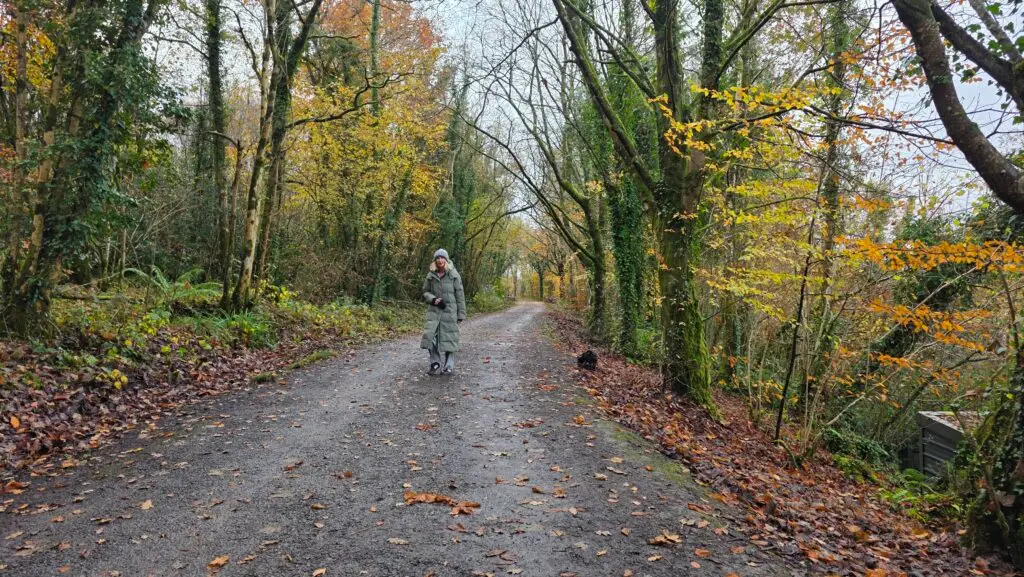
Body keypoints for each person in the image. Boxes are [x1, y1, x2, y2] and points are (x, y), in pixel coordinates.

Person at [421, 248, 466, 375]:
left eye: (442, 258)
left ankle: (449, 366)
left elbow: (460, 295)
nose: (440, 260)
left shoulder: (454, 275)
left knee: (449, 338)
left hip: (450, 312)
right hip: (434, 311)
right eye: (437, 258)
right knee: (430, 337)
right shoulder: (431, 275)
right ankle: (435, 363)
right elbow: (425, 292)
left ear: (446, 260)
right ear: (435, 261)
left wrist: (461, 313)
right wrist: (433, 299)